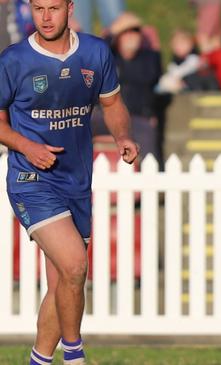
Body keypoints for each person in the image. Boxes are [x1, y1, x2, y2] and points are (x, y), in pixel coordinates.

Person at [0, 1, 138, 364]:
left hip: (76, 181)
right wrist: (26, 146)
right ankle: (74, 355)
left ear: (69, 8)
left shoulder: (94, 52)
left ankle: (39, 360)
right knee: (76, 266)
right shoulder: (14, 60)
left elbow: (112, 105)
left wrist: (123, 136)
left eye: (54, 8)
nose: (45, 17)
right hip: (31, 180)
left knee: (62, 282)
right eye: (39, 8)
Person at [109, 12, 162, 163]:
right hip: (109, 117)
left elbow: (150, 77)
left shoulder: (149, 58)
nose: (131, 36)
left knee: (150, 159)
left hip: (139, 117)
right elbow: (95, 53)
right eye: (126, 32)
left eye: (135, 32)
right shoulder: (109, 56)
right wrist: (113, 32)